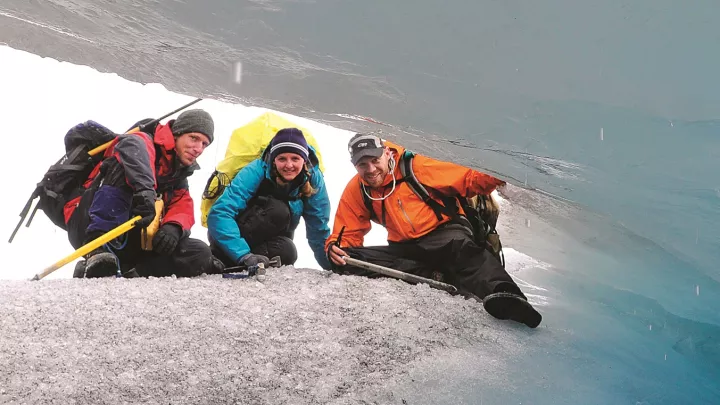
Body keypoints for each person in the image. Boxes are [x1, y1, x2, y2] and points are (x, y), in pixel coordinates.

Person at [325, 133, 542, 328]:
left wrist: (501, 172)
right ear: (354, 165)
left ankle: (506, 296)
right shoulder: (358, 189)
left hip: (445, 233)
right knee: (348, 258)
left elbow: (467, 179)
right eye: (363, 164)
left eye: (375, 160)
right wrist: (336, 249)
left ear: (387, 153)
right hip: (406, 248)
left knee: (464, 252)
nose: (371, 170)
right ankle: (434, 275)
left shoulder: (415, 166)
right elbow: (346, 233)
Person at [66, 109, 221, 278]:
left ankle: (132, 272)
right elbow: (132, 149)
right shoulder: (141, 140)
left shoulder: (179, 172)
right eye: (194, 138)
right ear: (177, 133)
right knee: (122, 167)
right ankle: (97, 253)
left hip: (133, 236)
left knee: (199, 252)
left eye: (204, 144)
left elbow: (183, 204)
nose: (198, 148)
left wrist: (174, 227)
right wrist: (145, 190)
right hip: (88, 223)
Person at [207, 128, 332, 271]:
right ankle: (224, 257)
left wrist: (331, 266)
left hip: (266, 239)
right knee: (279, 211)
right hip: (233, 235)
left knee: (288, 252)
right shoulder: (255, 171)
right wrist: (243, 255)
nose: (289, 165)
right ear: (274, 160)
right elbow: (221, 212)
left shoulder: (313, 178)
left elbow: (318, 225)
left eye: (295, 158)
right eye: (282, 159)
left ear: (304, 160)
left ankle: (246, 263)